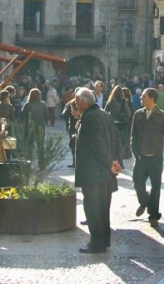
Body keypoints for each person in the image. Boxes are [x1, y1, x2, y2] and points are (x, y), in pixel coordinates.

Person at [73, 87, 121, 254]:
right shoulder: (103, 114)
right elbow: (116, 138)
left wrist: (110, 162)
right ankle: (104, 240)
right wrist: (116, 161)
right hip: (105, 173)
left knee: (93, 208)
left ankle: (97, 243)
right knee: (103, 208)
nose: (75, 104)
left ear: (82, 102)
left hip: (94, 173)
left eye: (76, 102)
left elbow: (98, 144)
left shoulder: (90, 118)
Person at [130, 88, 164, 227]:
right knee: (137, 182)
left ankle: (153, 215)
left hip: (156, 157)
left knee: (155, 187)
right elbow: (133, 135)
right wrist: (135, 152)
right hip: (141, 157)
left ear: (152, 98)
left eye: (143, 96)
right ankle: (144, 202)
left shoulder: (163, 116)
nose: (141, 99)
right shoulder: (138, 114)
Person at [21, 88, 50, 168]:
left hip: (29, 127)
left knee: (29, 147)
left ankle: (28, 164)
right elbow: (47, 116)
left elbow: (22, 115)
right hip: (40, 127)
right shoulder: (43, 104)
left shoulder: (27, 104)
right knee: (40, 146)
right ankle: (42, 165)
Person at [105, 85, 133, 167]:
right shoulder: (124, 101)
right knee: (122, 144)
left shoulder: (110, 102)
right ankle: (120, 161)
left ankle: (113, 160)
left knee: (113, 143)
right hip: (122, 125)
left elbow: (105, 112)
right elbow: (129, 113)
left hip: (113, 125)